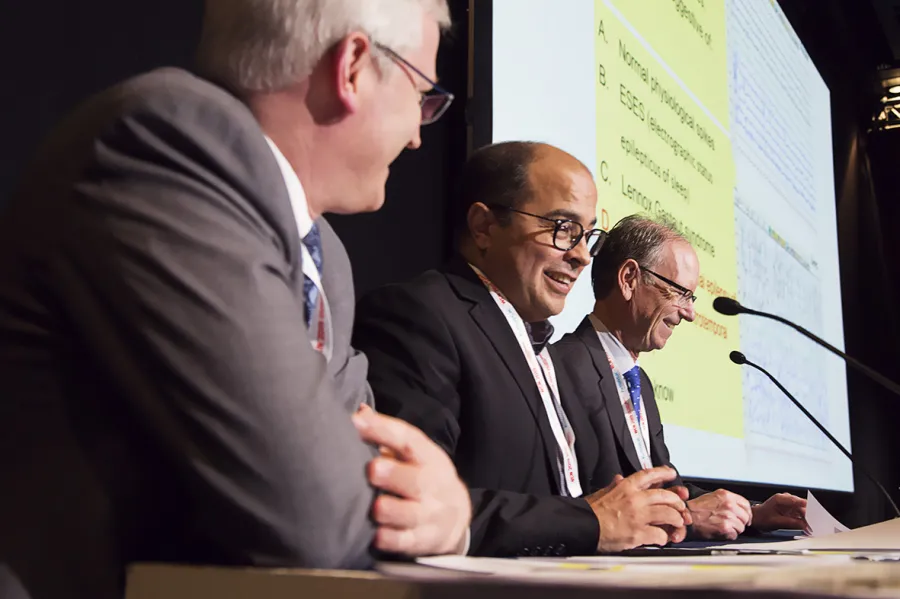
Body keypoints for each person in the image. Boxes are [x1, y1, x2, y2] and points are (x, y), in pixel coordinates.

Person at [0, 2, 472, 599]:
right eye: (422, 94)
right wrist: (435, 509)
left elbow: (364, 459)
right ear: (352, 67)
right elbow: (313, 514)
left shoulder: (324, 253)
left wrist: (446, 513)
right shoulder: (170, 146)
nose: (417, 135)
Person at [353, 141, 691, 558]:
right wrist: (591, 520)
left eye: (587, 236)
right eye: (562, 228)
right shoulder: (420, 315)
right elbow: (416, 504)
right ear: (484, 227)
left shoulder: (533, 342)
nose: (581, 256)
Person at [552, 215, 808, 541]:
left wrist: (751, 513)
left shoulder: (638, 382)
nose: (689, 313)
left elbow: (667, 489)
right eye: (680, 293)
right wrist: (687, 518)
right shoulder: (561, 368)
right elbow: (570, 502)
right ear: (629, 279)